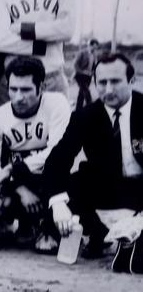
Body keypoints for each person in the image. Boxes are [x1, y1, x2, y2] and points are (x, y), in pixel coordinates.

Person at [44, 53, 143, 258]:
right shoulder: (84, 116)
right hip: (106, 186)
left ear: (132, 81)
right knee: (66, 191)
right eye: (102, 82)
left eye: (115, 82)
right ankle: (98, 233)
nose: (108, 90)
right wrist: (59, 204)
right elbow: (57, 160)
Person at [0, 56, 71, 253]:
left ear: (42, 87)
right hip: (18, 181)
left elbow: (58, 153)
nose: (18, 97)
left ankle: (49, 227)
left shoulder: (57, 104)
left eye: (26, 90)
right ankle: (24, 224)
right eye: (13, 89)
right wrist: (19, 188)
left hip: (52, 178)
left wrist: (15, 168)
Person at [73, 38, 100, 110]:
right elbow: (75, 65)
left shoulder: (94, 54)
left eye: (96, 47)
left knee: (81, 94)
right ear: (90, 45)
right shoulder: (82, 52)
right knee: (87, 92)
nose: (95, 48)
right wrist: (83, 71)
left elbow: (95, 66)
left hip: (88, 77)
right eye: (94, 46)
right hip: (80, 76)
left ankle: (78, 110)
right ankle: (91, 108)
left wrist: (94, 73)